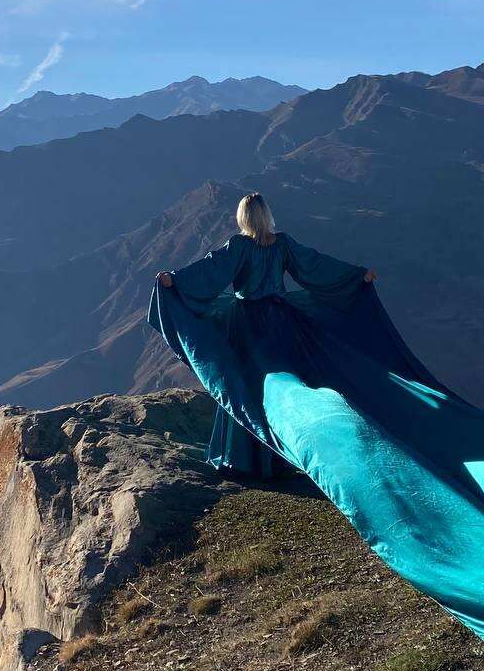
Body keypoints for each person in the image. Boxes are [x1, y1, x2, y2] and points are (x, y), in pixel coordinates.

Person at [149, 192, 484, 641]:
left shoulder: (239, 247)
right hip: (288, 321)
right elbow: (315, 266)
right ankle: (270, 456)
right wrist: (357, 276)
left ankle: (252, 460)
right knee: (292, 382)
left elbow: (210, 274)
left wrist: (173, 282)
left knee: (253, 388)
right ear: (268, 217)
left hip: (252, 325)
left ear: (244, 218)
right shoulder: (282, 244)